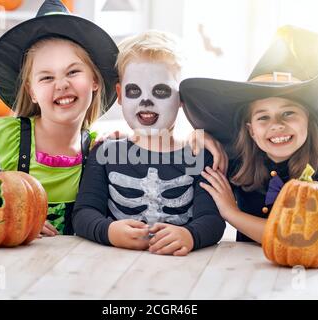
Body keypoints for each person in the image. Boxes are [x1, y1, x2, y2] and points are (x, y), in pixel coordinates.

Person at [0, 0, 119, 236]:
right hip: (9, 268)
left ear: (95, 81)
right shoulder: (2, 140)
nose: (62, 84)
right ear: (32, 92)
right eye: (46, 78)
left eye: (73, 72)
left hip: (74, 269)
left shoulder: (99, 152)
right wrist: (7, 219)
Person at [180, 25, 318, 243]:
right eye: (263, 117)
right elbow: (179, 169)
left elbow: (296, 238)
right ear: (251, 130)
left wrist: (231, 212)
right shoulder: (238, 165)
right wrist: (195, 138)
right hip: (242, 271)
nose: (276, 125)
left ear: (309, 122)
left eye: (288, 113)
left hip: (302, 274)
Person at [72, 30, 226, 256]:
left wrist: (191, 235)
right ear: (120, 95)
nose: (146, 100)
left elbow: (212, 220)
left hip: (182, 269)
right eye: (134, 90)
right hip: (112, 268)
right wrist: (108, 231)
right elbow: (84, 213)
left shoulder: (199, 156)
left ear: (182, 98)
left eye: (160, 90)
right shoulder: (104, 153)